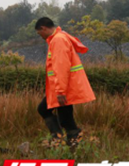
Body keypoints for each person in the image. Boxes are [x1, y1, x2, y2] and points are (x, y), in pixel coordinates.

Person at [34, 17, 96, 146]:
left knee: (61, 116)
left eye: (39, 33)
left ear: (43, 28)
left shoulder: (58, 40)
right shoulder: (59, 38)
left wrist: (60, 91)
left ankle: (65, 140)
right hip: (63, 87)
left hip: (64, 88)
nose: (40, 36)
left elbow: (61, 67)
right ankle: (65, 140)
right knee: (62, 115)